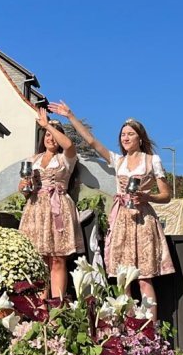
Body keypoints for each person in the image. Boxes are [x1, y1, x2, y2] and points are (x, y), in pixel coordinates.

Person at [49, 101, 174, 319]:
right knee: (122, 277)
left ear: (140, 138)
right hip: (122, 218)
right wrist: (70, 115)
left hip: (143, 219)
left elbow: (166, 194)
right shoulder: (118, 161)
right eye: (123, 134)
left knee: (144, 278)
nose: (125, 138)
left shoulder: (153, 160)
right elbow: (91, 140)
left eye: (130, 134)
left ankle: (150, 332)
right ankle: (124, 325)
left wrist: (147, 196)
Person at [18, 108, 84, 298]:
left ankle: (57, 307)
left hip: (58, 208)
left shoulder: (65, 158)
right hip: (36, 208)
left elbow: (69, 144)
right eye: (47, 135)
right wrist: (24, 186)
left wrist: (48, 124)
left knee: (57, 259)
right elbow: (24, 191)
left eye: (54, 135)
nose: (50, 138)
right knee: (39, 259)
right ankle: (40, 307)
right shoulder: (33, 160)